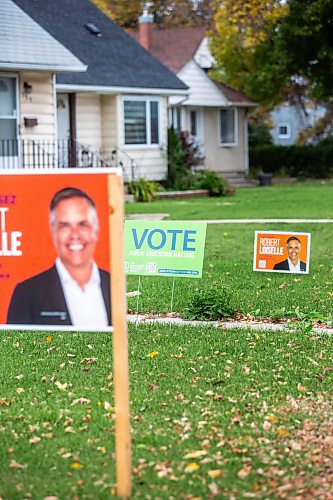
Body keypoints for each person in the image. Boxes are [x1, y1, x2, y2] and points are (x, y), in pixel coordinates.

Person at [6, 187, 111, 327]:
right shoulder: (27, 294)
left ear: (96, 230)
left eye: (83, 224)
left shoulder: (117, 286)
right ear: (53, 232)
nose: (75, 234)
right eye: (64, 226)